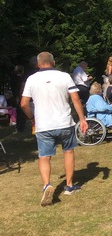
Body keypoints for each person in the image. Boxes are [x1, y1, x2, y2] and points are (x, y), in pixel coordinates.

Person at [21, 52, 89, 207]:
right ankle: (69, 186)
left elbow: (24, 103)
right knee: (68, 152)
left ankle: (46, 185)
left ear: (38, 64)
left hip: (43, 124)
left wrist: (32, 119)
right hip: (64, 122)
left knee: (44, 157)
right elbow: (75, 99)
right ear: (54, 62)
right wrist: (83, 119)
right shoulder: (64, 76)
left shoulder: (31, 79)